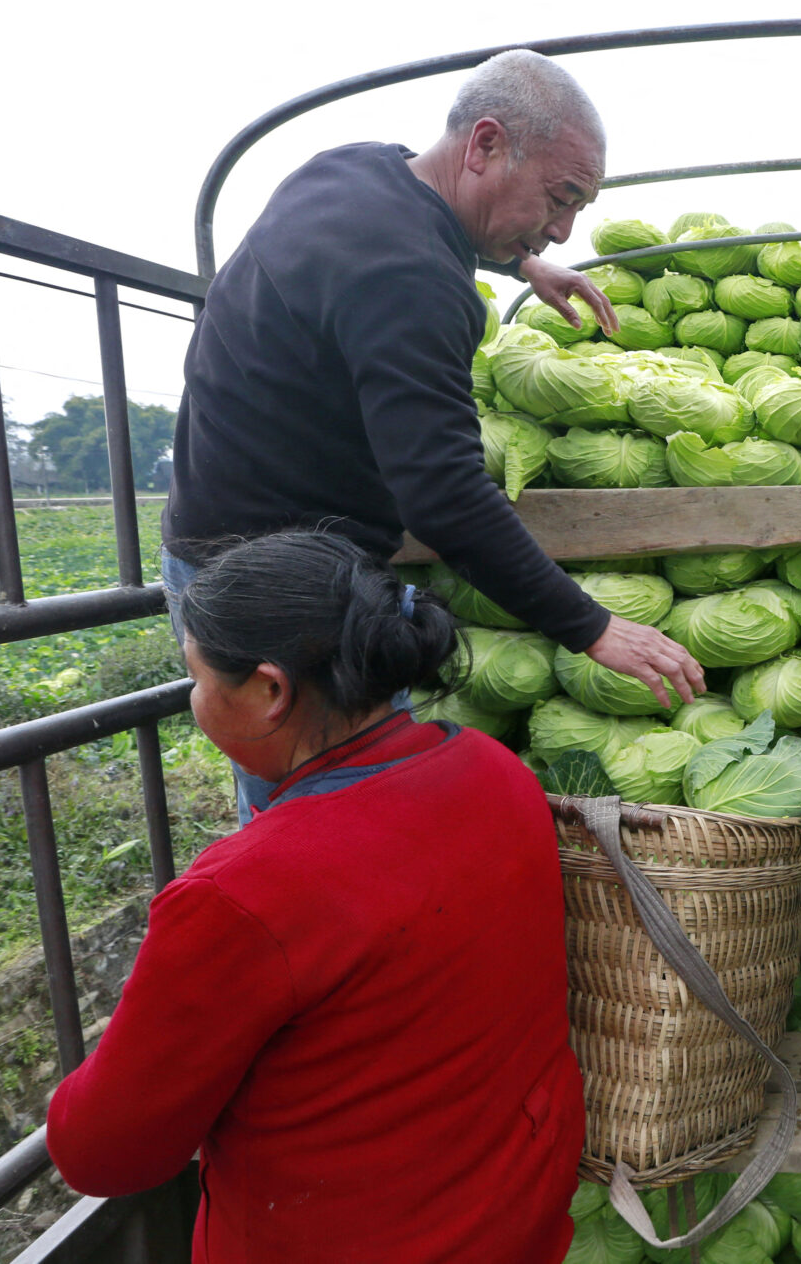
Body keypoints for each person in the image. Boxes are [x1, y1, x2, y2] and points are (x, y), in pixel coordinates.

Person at [163, 48, 702, 819]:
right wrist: (592, 626)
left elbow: (397, 248)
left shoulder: (355, 169)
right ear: (484, 144)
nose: (563, 227)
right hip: (277, 597)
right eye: (559, 197)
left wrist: (520, 261)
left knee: (322, 810)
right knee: (316, 825)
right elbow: (445, 493)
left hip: (219, 543)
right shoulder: (411, 280)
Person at [47, 531, 584, 1262]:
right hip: (514, 1223)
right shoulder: (494, 769)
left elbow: (101, 1153)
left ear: (270, 690)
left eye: (198, 677)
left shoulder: (243, 895)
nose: (195, 701)